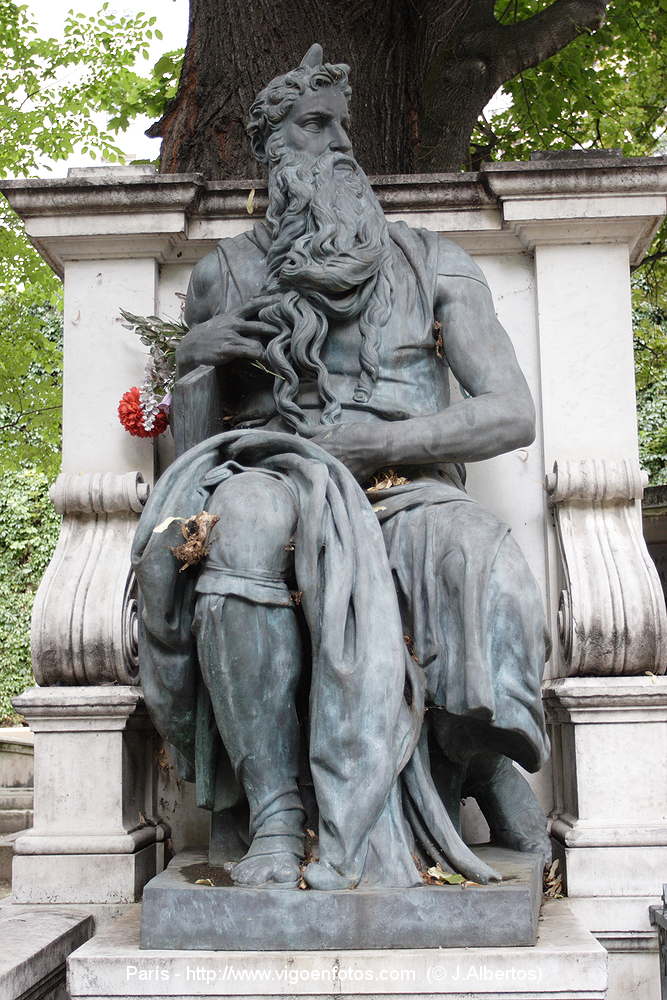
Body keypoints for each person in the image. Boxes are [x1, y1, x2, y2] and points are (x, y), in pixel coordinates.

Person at [133, 44, 551, 891]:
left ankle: (472, 759)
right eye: (314, 127)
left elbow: (510, 412)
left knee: (478, 554)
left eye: (343, 128)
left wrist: (387, 444)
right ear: (272, 148)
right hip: (274, 469)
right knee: (240, 527)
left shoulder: (432, 259)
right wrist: (196, 369)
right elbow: (191, 463)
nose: (339, 146)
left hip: (410, 485)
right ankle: (278, 815)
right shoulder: (227, 273)